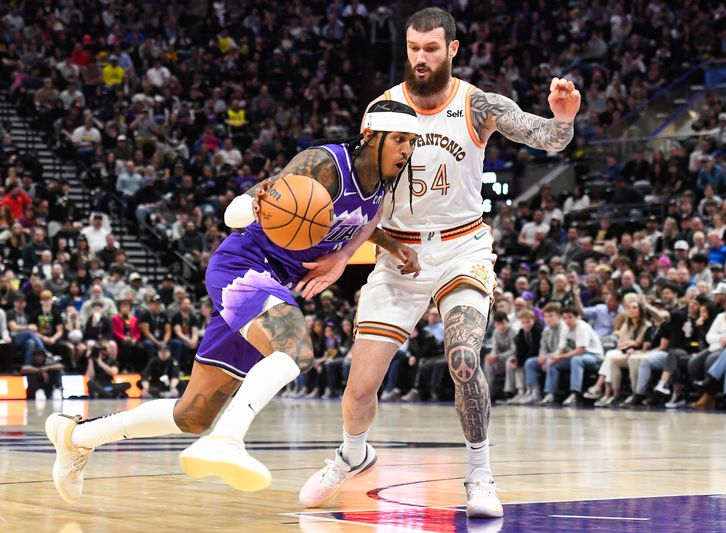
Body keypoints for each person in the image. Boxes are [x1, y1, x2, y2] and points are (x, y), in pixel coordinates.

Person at [45, 100, 421, 504]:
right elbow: (252, 204)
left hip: (275, 283)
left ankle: (77, 436)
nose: (406, 150)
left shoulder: (383, 184)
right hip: (244, 264)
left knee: (192, 414)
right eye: (399, 140)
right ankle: (227, 440)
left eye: (412, 143)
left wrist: (384, 247)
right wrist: (249, 203)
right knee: (294, 349)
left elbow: (361, 223)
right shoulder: (324, 164)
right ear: (370, 136)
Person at [298, 8, 579, 518]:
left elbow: (548, 139)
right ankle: (352, 454)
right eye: (412, 48)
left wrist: (563, 117)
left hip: (462, 247)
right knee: (360, 386)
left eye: (430, 48)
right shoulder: (382, 109)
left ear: (452, 49)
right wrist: (346, 254)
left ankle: (479, 474)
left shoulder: (479, 105)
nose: (420, 58)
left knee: (464, 357)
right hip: (397, 253)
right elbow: (371, 194)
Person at [540, 307, 604, 406]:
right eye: (565, 318)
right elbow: (561, 348)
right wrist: (555, 357)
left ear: (577, 317)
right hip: (577, 356)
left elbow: (580, 350)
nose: (567, 320)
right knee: (553, 363)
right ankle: (550, 393)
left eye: (570, 317)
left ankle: (575, 394)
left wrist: (560, 357)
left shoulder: (582, 327)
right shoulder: (565, 328)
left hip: (594, 357)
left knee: (575, 360)